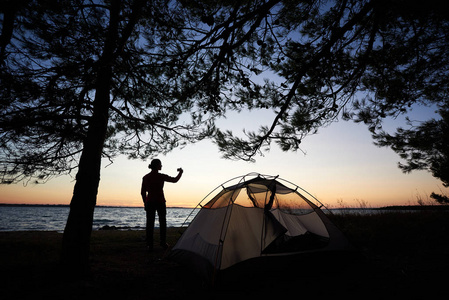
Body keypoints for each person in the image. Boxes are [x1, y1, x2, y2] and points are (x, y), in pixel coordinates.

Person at [141, 159, 183, 251]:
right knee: (162, 223)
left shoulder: (146, 177)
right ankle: (163, 243)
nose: (161, 166)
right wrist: (181, 172)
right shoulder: (161, 176)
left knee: (149, 223)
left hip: (150, 202)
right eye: (160, 165)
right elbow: (174, 180)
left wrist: (145, 203)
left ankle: (149, 244)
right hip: (160, 201)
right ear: (157, 166)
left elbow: (143, 192)